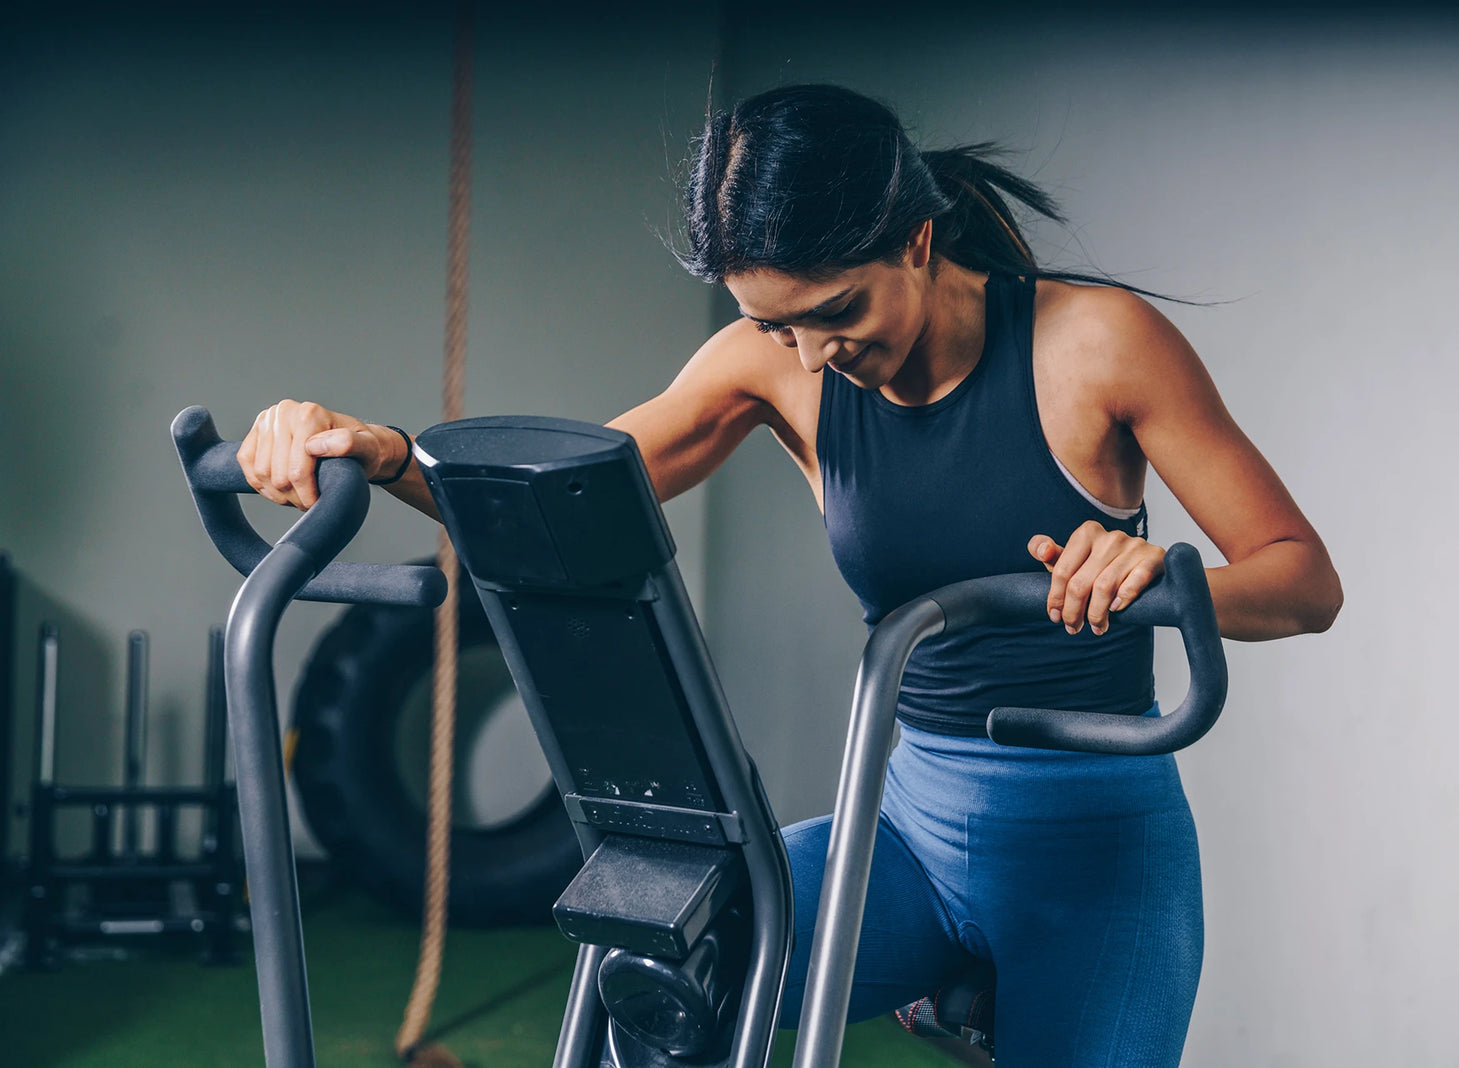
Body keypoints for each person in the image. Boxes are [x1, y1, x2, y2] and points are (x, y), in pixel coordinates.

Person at [239, 84, 1342, 1066]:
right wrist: (379, 449)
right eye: (772, 323)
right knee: (665, 992)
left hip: (1093, 854)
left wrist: (1162, 577)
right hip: (903, 830)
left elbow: (1302, 582)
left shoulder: (1092, 345)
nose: (812, 356)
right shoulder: (770, 365)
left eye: (834, 314)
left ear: (916, 241)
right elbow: (552, 506)